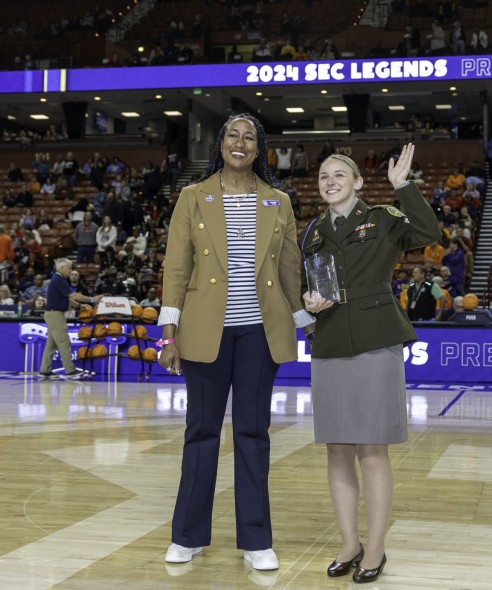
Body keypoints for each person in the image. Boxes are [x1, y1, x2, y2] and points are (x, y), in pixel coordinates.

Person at [157, 113, 310, 570]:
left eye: (249, 137)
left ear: (259, 148)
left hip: (259, 334)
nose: (240, 143)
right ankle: (187, 535)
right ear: (220, 144)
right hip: (205, 331)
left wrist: (307, 326)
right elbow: (176, 270)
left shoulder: (278, 201)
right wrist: (169, 333)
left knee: (252, 434)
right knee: (200, 433)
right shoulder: (192, 197)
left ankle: (256, 540)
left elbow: (289, 272)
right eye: (232, 136)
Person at [300, 144, 440, 584]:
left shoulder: (383, 218)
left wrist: (404, 187)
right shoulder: (313, 233)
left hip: (376, 340)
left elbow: (428, 231)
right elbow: (302, 288)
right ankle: (349, 544)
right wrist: (307, 305)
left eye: (340, 174)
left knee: (372, 451)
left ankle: (375, 550)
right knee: (337, 449)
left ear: (359, 182)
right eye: (324, 175)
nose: (331, 181)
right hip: (328, 342)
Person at [39, 258, 102, 378]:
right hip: (55, 314)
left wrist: (79, 305)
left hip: (52, 314)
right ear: (62, 268)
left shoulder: (57, 279)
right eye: (69, 268)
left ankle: (45, 370)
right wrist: (92, 300)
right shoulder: (59, 280)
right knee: (64, 342)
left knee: (51, 344)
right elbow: (72, 295)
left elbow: (66, 298)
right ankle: (70, 370)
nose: (71, 270)